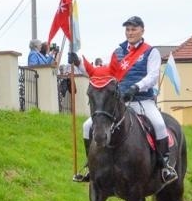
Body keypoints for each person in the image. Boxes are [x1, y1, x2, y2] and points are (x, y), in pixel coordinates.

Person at [73, 15, 178, 184]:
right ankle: (90, 167)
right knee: (87, 126)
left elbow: (152, 76)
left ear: (142, 30)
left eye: (134, 29)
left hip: (142, 100)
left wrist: (136, 87)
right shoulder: (118, 52)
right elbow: (103, 74)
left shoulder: (151, 52)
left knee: (159, 125)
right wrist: (78, 63)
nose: (130, 33)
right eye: (128, 30)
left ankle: (164, 166)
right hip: (120, 102)